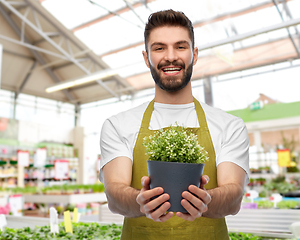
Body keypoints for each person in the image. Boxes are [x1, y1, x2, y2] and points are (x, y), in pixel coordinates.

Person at [99, 9, 249, 240]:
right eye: (159, 48)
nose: (170, 56)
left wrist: (206, 201)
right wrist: (140, 202)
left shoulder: (229, 125)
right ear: (147, 57)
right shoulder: (118, 125)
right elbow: (115, 193)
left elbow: (234, 196)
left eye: (180, 46)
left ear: (194, 55)